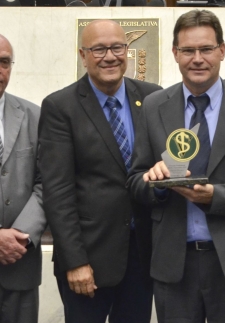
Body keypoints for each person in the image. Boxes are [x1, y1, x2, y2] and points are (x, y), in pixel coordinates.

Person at [127, 9, 225, 323]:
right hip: (174, 266)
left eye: (206, 49)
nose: (197, 59)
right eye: (187, 50)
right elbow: (134, 180)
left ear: (222, 51)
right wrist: (154, 183)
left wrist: (215, 197)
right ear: (175, 54)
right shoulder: (154, 107)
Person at [38, 20, 162, 323]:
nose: (110, 56)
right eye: (98, 49)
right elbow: (58, 192)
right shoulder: (60, 106)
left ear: (127, 50)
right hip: (88, 258)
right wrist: (75, 261)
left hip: (142, 255)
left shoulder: (152, 98)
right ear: (83, 55)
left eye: (117, 47)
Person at [0, 34, 45, 323]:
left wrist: (19, 236)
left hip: (19, 260)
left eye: (4, 62)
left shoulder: (35, 115)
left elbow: (48, 183)